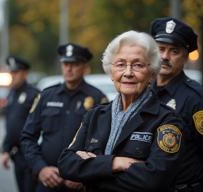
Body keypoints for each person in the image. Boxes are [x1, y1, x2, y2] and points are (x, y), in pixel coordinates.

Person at [58, 31, 185, 192]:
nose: (128, 73)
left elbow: (155, 180)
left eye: (138, 65)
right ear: (111, 72)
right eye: (120, 64)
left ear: (152, 73)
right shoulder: (95, 115)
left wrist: (91, 172)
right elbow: (66, 164)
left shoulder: (167, 120)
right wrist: (115, 163)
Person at [149, 17, 203, 192]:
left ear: (185, 57)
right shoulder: (145, 93)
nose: (164, 56)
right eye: (160, 49)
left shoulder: (196, 99)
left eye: (174, 51)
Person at [21, 43, 108, 192]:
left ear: (85, 67)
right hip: (47, 180)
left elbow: (104, 143)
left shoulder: (98, 99)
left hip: (80, 183)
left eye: (74, 64)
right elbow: (28, 137)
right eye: (65, 63)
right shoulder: (46, 96)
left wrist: (85, 173)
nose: (69, 68)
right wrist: (40, 168)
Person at [1, 56, 39, 192]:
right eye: (11, 73)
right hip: (17, 154)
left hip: (30, 154)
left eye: (15, 73)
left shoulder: (33, 94)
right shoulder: (11, 93)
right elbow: (10, 125)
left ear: (24, 73)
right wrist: (5, 149)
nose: (12, 76)